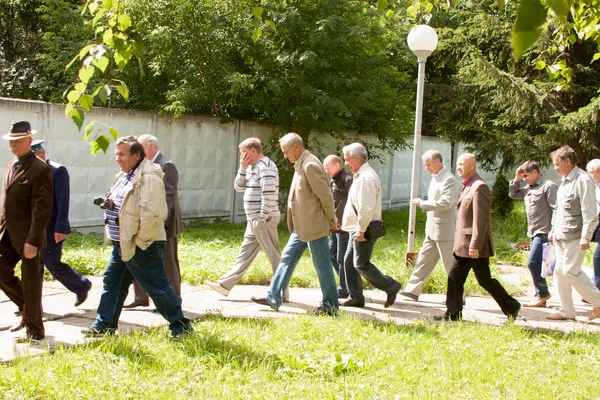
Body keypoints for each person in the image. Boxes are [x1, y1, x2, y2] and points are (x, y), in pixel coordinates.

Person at [83, 136, 193, 338]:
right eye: (116, 154)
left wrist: (140, 243)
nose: (118, 158)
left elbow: (153, 214)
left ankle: (181, 326)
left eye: (122, 154)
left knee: (157, 286)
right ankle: (104, 326)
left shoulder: (149, 177)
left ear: (136, 155)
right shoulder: (125, 175)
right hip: (123, 243)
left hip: (141, 244)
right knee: (112, 281)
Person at [251, 133, 339, 315]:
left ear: (297, 147)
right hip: (302, 225)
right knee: (287, 258)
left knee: (322, 265)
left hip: (313, 225)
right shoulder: (302, 163)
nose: (285, 155)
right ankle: (273, 297)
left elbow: (325, 196)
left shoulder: (310, 164)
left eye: (286, 151)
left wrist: (332, 220)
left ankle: (330, 306)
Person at [435, 153, 521, 321]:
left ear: (472, 165)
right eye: (457, 164)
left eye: (462, 164)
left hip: (473, 246)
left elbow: (481, 220)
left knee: (484, 280)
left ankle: (512, 306)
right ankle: (453, 313)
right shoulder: (469, 185)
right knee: (454, 277)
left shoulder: (479, 186)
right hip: (462, 245)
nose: (458, 167)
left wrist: (475, 244)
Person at [206, 137, 288, 301]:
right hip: (254, 219)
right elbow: (238, 187)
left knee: (274, 255)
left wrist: (263, 216)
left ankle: (281, 292)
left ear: (253, 151)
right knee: (244, 254)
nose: (242, 157)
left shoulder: (266, 167)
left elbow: (269, 193)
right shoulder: (250, 167)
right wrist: (242, 168)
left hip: (263, 218)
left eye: (244, 153)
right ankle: (225, 285)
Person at [0, 121, 53, 342]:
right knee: (2, 271)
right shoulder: (12, 164)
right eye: (11, 141)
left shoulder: (40, 169)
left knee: (31, 282)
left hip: (28, 237)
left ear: (30, 141)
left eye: (19, 141)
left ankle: (35, 331)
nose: (14, 145)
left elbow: (41, 210)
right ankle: (27, 309)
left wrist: (32, 241)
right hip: (7, 233)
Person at [123, 134, 184, 308]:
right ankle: (141, 298)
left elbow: (168, 196)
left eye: (142, 147)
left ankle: (174, 301)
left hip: (165, 224)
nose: (139, 151)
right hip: (143, 222)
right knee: (137, 259)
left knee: (168, 263)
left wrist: (157, 219)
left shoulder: (166, 165)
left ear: (153, 147)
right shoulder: (140, 166)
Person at [30, 140, 92, 307]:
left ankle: (81, 285)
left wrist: (61, 227)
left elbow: (63, 201)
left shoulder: (57, 171)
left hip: (52, 228)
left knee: (53, 263)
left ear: (41, 155)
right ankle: (31, 305)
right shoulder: (30, 171)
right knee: (33, 268)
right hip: (34, 229)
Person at [340, 143, 402, 308]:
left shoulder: (366, 177)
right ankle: (356, 297)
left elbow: (365, 207)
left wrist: (360, 230)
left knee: (360, 263)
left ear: (357, 158)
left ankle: (391, 286)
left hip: (364, 228)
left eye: (347, 159)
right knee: (348, 262)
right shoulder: (361, 175)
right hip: (357, 227)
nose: (345, 163)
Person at [547, 146, 600, 321]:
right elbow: (560, 210)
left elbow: (590, 211)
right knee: (559, 273)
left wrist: (586, 235)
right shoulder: (564, 181)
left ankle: (598, 301)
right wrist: (553, 230)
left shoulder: (583, 179)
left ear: (568, 161)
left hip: (576, 236)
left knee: (570, 271)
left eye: (557, 163)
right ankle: (566, 311)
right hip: (561, 235)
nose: (555, 167)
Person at [400, 149, 458, 302]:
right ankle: (412, 290)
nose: (426, 168)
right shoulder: (436, 178)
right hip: (432, 229)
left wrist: (422, 203)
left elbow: (446, 203)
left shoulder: (448, 179)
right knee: (424, 260)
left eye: (428, 165)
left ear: (437, 161)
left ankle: (459, 296)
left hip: (445, 230)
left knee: (450, 265)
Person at [508, 160, 557, 307]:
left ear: (535, 172)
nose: (524, 179)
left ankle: (542, 294)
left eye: (526, 176)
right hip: (534, 232)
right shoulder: (528, 188)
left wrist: (553, 229)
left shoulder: (548, 186)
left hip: (545, 231)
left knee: (532, 262)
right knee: (542, 265)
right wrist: (516, 179)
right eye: (522, 177)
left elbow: (556, 208)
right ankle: (540, 296)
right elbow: (513, 194)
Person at [323, 154, 352, 299]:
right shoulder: (333, 181)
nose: (326, 171)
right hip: (335, 226)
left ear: (336, 165)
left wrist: (342, 220)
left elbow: (351, 203)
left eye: (327, 168)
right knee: (331, 254)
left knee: (341, 257)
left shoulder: (347, 179)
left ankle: (344, 288)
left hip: (345, 226)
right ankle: (346, 283)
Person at [586, 158, 600, 291]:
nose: (589, 176)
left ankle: (596, 290)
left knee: (598, 257)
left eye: (591, 172)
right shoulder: (594, 187)